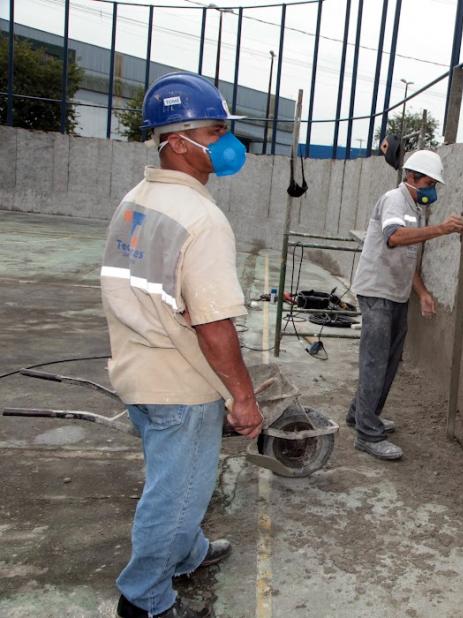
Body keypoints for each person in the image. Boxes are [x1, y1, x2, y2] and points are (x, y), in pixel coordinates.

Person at [100, 72, 263, 618]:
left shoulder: (135, 202)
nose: (228, 144)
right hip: (178, 384)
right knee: (175, 496)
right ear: (177, 142)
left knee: (175, 477)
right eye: (215, 133)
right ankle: (144, 599)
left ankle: (187, 553)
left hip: (135, 371)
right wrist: (243, 397)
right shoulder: (203, 219)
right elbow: (215, 326)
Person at [347, 150, 463, 460]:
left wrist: (423, 293)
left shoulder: (414, 208)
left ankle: (361, 415)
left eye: (434, 184)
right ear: (411, 178)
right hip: (377, 293)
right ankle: (367, 435)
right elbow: (394, 238)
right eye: (429, 183)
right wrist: (442, 228)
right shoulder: (395, 200)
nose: (432, 190)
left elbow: (406, 259)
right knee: (375, 362)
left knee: (388, 360)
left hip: (396, 294)